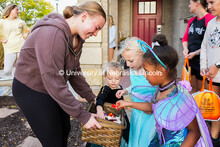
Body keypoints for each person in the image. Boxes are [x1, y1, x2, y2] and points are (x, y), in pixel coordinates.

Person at [12, 1, 106, 147]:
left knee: (64, 128)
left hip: (51, 86)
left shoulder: (77, 38)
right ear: (84, 16)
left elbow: (73, 71)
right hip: (31, 89)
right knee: (53, 139)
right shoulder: (51, 34)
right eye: (96, 28)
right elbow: (54, 80)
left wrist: (92, 97)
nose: (95, 34)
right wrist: (83, 116)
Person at [116, 37, 213, 146]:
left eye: (147, 72)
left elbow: (194, 132)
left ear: (161, 72)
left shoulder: (179, 98)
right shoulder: (159, 91)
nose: (144, 75)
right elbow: (152, 107)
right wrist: (128, 103)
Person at [116, 37, 157, 147]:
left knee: (146, 139)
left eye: (131, 61)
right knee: (136, 136)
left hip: (149, 113)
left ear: (143, 55)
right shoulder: (133, 70)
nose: (128, 65)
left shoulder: (151, 72)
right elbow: (136, 86)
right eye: (126, 61)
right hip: (136, 112)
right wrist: (126, 90)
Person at [182, 0, 215, 93]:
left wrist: (196, 53)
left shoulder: (209, 19)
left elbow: (210, 44)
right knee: (191, 87)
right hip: (190, 60)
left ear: (197, 3)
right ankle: (193, 107)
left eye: (190, 3)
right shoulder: (192, 21)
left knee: (203, 89)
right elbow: (185, 38)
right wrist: (185, 48)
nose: (188, 6)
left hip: (203, 61)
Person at [200, 0, 220, 146]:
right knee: (215, 111)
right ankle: (213, 140)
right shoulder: (211, 23)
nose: (209, 7)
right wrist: (204, 66)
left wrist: (218, 65)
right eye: (207, 3)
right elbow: (205, 47)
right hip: (213, 77)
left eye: (212, 2)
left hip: (217, 70)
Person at [96, 61, 129, 145]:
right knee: (110, 135)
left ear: (121, 77)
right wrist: (99, 109)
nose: (113, 81)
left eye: (117, 79)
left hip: (119, 113)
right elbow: (100, 99)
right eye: (110, 78)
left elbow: (120, 99)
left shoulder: (120, 88)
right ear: (105, 76)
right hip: (109, 116)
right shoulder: (106, 89)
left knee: (126, 129)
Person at [0, 4, 29, 78]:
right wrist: (2, 39)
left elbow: (27, 30)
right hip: (9, 49)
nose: (18, 12)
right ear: (11, 10)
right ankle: (8, 88)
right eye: (16, 10)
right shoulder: (2, 22)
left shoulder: (21, 22)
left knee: (22, 69)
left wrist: (25, 35)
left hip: (21, 47)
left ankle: (20, 87)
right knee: (7, 71)